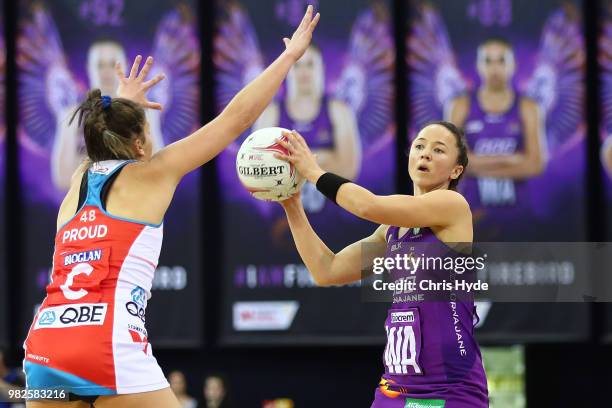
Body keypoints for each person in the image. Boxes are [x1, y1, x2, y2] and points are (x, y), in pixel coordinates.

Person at [22, 6, 319, 408]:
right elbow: (235, 120)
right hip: (104, 342)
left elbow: (104, 138)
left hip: (45, 346)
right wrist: (288, 57)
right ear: (141, 145)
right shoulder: (154, 173)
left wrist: (123, 105)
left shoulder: (78, 182)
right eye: (146, 131)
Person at [274, 122, 488, 407]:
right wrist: (292, 206)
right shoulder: (391, 230)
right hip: (397, 387)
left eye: (438, 150)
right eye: (420, 146)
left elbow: (368, 206)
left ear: (456, 171)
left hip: (449, 387)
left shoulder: (453, 205)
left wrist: (313, 171)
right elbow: (327, 270)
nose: (425, 154)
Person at [446, 38, 545, 238]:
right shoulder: (461, 106)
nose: (495, 68)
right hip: (473, 217)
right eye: (488, 61)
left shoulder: (528, 107)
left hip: (519, 220)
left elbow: (535, 165)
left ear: (513, 65)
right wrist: (510, 159)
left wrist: (474, 164)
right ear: (478, 66)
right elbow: (451, 163)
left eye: (501, 60)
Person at [255, 44, 361, 213]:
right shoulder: (270, 114)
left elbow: (349, 169)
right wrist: (324, 158)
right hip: (282, 224)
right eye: (297, 65)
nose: (304, 72)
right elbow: (259, 174)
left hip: (334, 222)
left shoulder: (339, 111)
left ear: (322, 68)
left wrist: (290, 161)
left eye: (310, 64)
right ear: (287, 70)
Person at [51, 39, 164, 191]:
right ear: (88, 68)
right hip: (88, 209)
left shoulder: (144, 114)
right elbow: (62, 178)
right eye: (100, 65)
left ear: (126, 65)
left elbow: (159, 171)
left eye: (113, 64)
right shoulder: (72, 115)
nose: (106, 72)